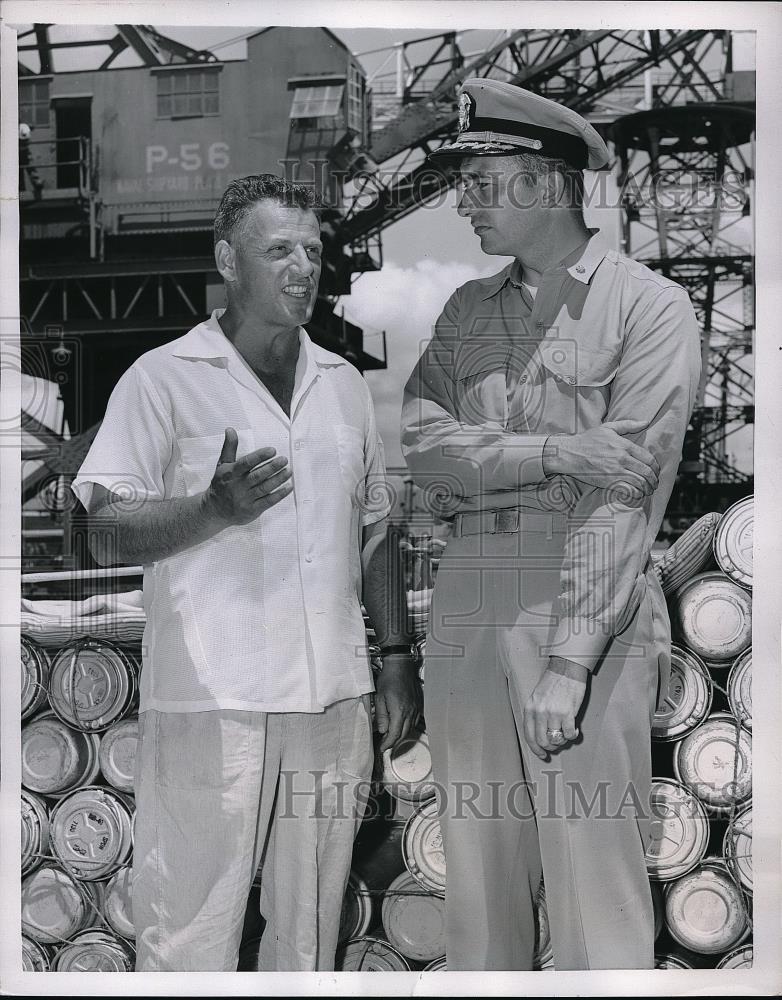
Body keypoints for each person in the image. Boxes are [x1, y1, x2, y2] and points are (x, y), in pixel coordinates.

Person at [72, 174, 421, 971]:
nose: (302, 267)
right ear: (229, 260)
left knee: (308, 935)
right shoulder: (162, 379)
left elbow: (374, 529)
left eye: (312, 249)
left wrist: (396, 659)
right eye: (278, 251)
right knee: (192, 931)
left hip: (331, 702)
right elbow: (104, 531)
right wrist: (212, 511)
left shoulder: (344, 388)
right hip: (211, 708)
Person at [401, 79, 701, 970]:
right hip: (467, 607)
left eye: (482, 184)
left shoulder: (648, 309)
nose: (465, 205)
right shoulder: (465, 313)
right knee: (480, 884)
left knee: (588, 881)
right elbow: (423, 449)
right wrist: (557, 455)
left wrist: (571, 662)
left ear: (546, 185)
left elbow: (628, 495)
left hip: (583, 610)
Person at [18, 122, 44, 199]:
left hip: (24, 153)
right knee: (20, 171)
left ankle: (37, 183)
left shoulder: (23, 128)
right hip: (17, 153)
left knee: (30, 167)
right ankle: (22, 188)